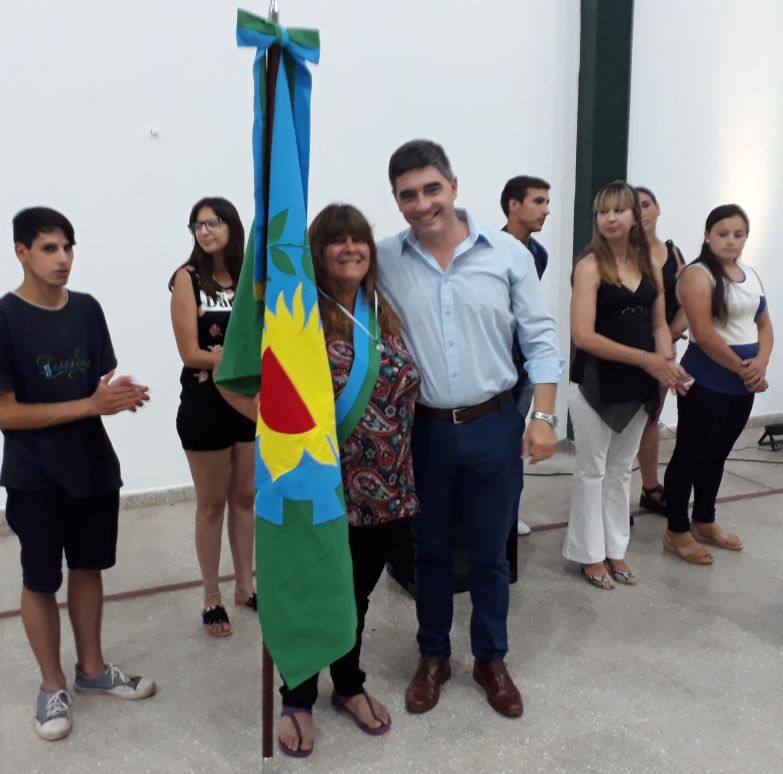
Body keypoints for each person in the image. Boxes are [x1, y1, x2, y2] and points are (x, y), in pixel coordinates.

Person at [222, 204, 420, 756]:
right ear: (317, 252)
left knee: (355, 596)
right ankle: (299, 696)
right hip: (323, 489)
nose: (350, 248)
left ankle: (348, 684)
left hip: (388, 489)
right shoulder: (301, 315)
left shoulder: (385, 311)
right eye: (337, 240)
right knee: (313, 589)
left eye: (359, 238)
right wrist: (280, 434)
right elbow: (234, 385)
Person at [377, 139, 565, 719]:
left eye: (432, 189)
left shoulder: (507, 255)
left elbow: (541, 338)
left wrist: (543, 417)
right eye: (408, 195)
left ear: (454, 186)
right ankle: (433, 655)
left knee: (489, 553)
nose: (422, 204)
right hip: (424, 431)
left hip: (494, 425)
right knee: (430, 552)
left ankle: (490, 658)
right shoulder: (384, 260)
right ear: (397, 201)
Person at [0, 207, 156, 741]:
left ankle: (92, 670)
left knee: (88, 567)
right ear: (21, 252)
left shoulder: (88, 310)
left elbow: (95, 389)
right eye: (49, 248)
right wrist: (89, 405)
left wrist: (115, 398)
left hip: (93, 466)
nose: (63, 259)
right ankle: (52, 684)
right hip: (34, 475)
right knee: (39, 580)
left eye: (68, 248)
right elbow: (6, 414)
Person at [564, 182, 687, 589]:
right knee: (592, 471)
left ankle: (615, 548)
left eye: (619, 210)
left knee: (620, 470)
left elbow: (659, 324)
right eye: (603, 212)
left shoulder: (648, 263)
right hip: (596, 384)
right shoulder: (588, 266)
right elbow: (583, 336)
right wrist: (647, 360)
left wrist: (666, 362)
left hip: (640, 384)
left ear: (636, 216)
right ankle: (589, 554)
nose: (610, 218)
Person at [662, 205, 772, 564]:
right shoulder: (697, 275)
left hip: (741, 384)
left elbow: (764, 326)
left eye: (738, 234)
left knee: (718, 453)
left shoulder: (750, 274)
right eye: (723, 233)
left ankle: (704, 520)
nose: (730, 241)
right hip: (707, 381)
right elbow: (705, 335)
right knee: (690, 454)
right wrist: (747, 371)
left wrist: (761, 362)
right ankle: (676, 530)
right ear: (708, 235)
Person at [169, 197, 257, 638]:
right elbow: (190, 353)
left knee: (245, 498)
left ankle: (245, 586)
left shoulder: (250, 280)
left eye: (213, 222)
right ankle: (211, 595)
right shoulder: (186, 279)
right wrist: (237, 361)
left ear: (232, 226)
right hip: (205, 405)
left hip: (247, 403)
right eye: (197, 225)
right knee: (211, 504)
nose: (205, 231)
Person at [501, 175, 552, 536]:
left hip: (525, 365)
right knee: (496, 443)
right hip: (497, 367)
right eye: (538, 201)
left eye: (547, 202)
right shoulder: (489, 250)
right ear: (513, 205)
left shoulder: (540, 254)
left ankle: (508, 513)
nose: (546, 210)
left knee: (515, 441)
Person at [633, 186, 688, 516]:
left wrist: (672, 333)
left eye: (645, 204)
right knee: (621, 423)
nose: (641, 212)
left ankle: (650, 488)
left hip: (663, 351)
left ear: (658, 208)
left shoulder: (673, 253)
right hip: (630, 351)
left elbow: (688, 299)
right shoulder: (619, 255)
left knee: (651, 417)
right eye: (634, 206)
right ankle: (609, 496)